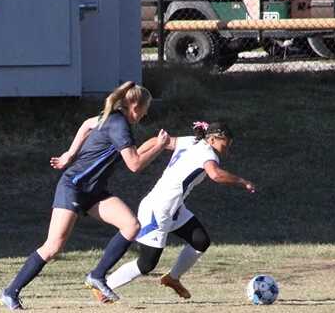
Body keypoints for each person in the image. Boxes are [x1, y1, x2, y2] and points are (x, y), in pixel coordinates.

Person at [0, 81, 170, 311]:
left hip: (94, 191)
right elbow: (134, 164)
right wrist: (160, 147)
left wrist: (70, 154)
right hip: (73, 187)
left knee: (131, 225)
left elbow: (86, 125)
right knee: (53, 246)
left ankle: (97, 276)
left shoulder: (112, 117)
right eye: (146, 108)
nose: (146, 113)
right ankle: (10, 292)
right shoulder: (119, 124)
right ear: (135, 106)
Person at [99, 121, 255, 301]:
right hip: (157, 210)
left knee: (200, 240)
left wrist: (137, 153)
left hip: (174, 208)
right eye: (225, 143)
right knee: (147, 264)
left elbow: (158, 141)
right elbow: (215, 174)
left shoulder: (192, 141)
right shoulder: (207, 152)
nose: (227, 147)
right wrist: (242, 181)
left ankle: (172, 278)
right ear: (212, 139)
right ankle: (105, 286)